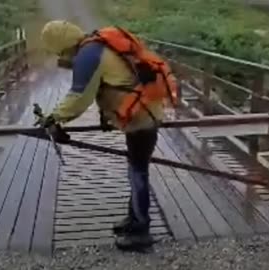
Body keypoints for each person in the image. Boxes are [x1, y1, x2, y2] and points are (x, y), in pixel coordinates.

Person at [37, 20, 179, 250]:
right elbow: (111, 83)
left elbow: (79, 97)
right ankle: (133, 220)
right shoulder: (97, 46)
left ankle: (141, 231)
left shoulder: (88, 55)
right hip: (145, 112)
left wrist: (53, 118)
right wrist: (106, 116)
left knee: (138, 173)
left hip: (141, 119)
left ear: (62, 46)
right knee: (135, 170)